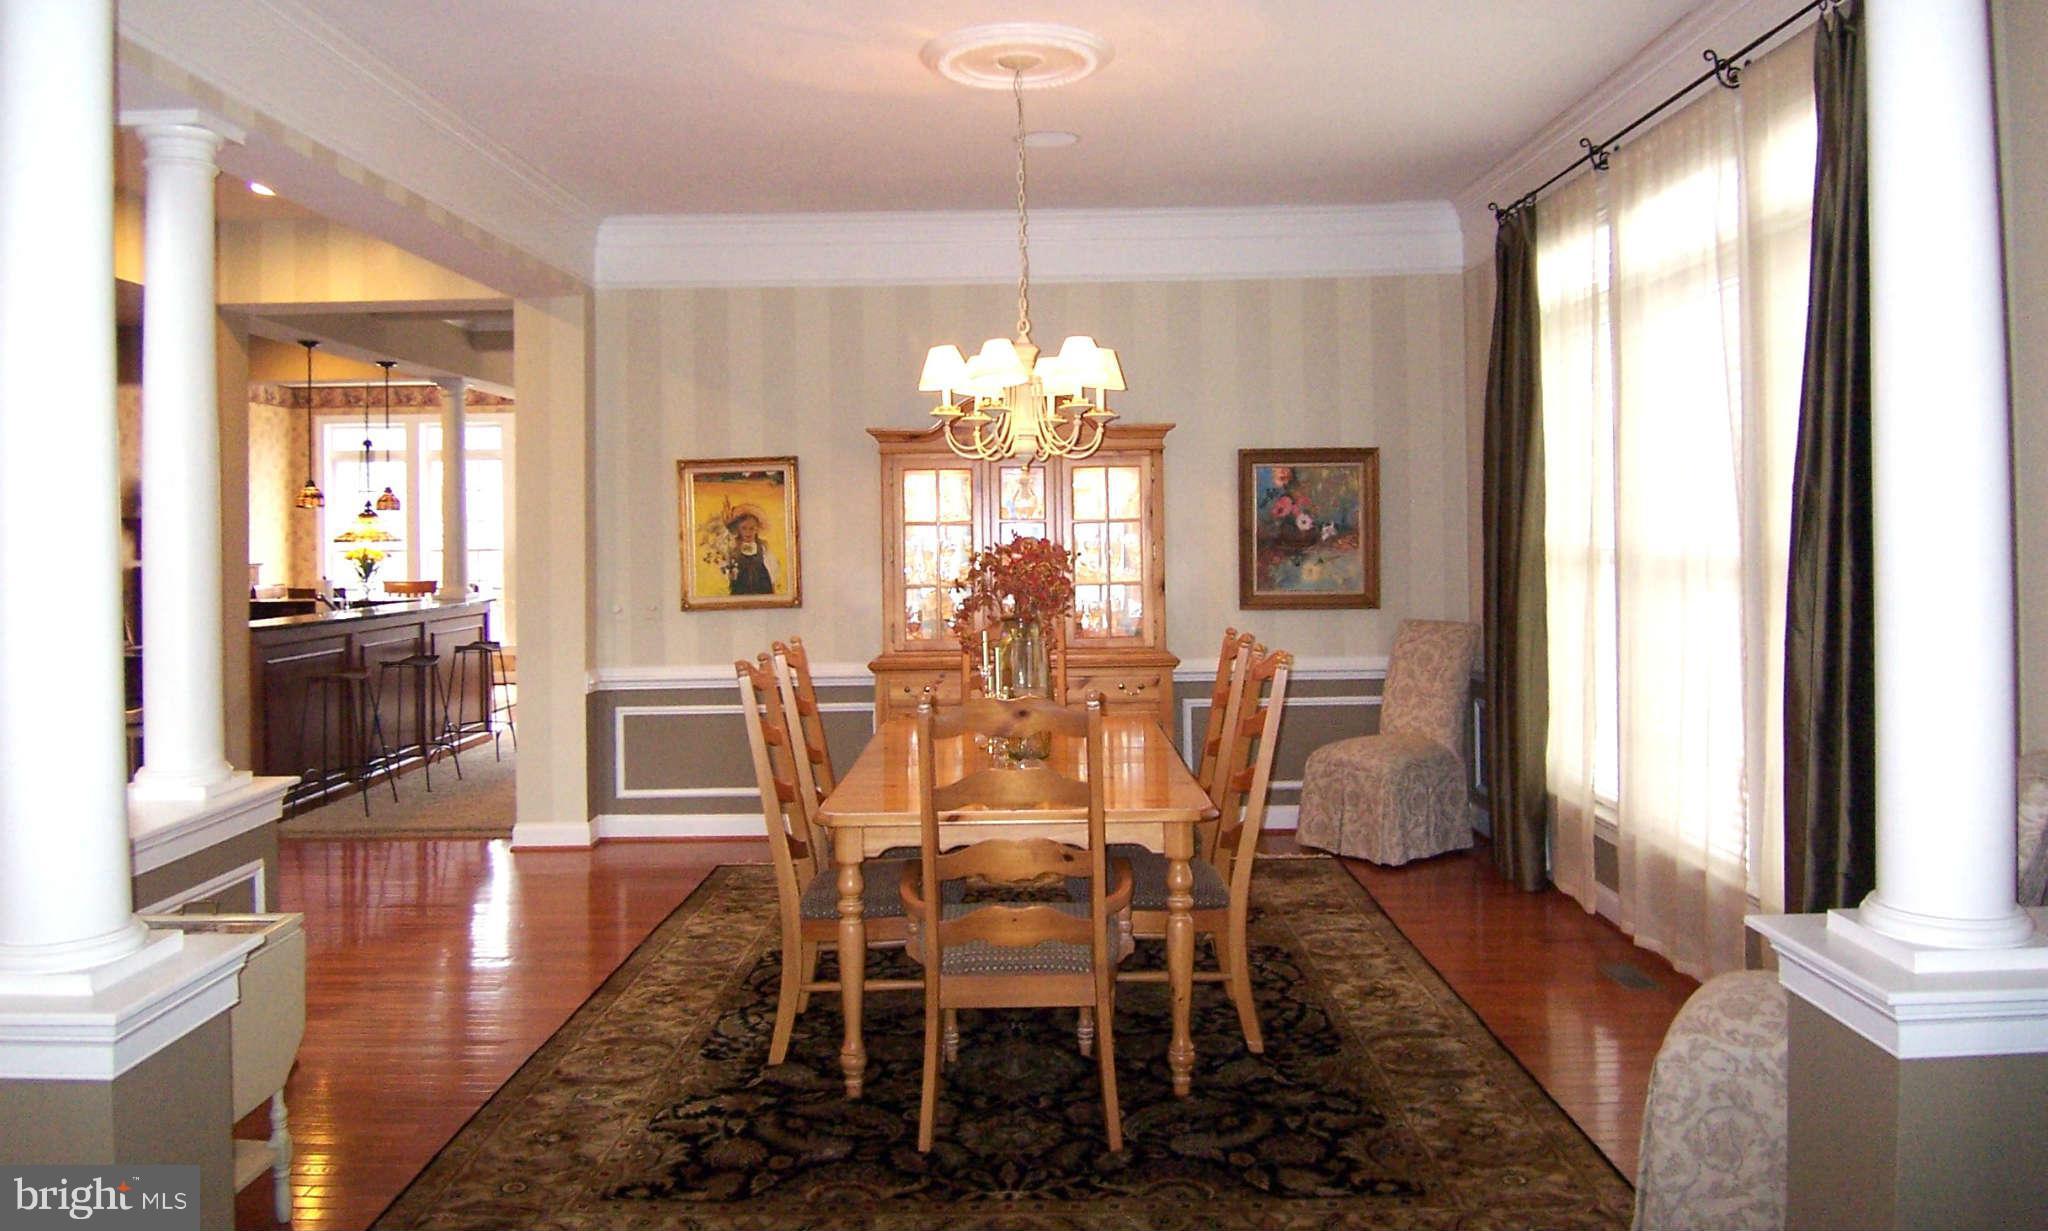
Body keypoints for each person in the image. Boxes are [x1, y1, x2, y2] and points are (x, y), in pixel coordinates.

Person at [725, 511, 778, 595]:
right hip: (741, 587)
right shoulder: (733, 548)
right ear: (738, 529)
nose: (748, 532)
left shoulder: (762, 547)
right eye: (744, 528)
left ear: (757, 529)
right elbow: (727, 568)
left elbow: (772, 568)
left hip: (762, 586)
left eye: (752, 528)